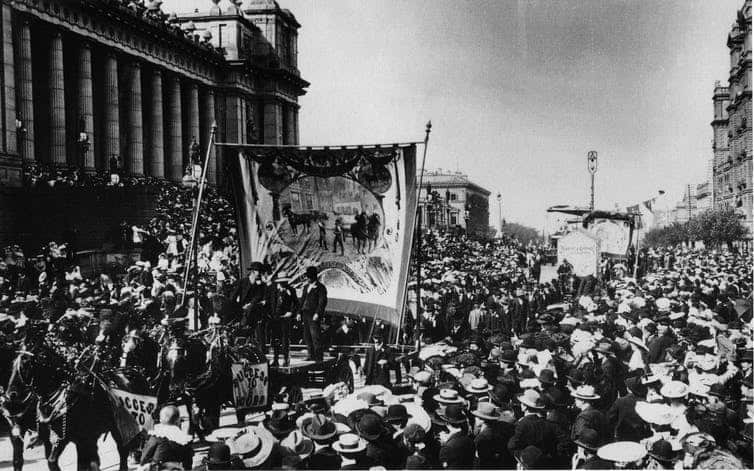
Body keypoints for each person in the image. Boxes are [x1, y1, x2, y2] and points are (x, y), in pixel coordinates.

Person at [139, 405, 194, 471]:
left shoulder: (157, 436)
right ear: (177, 421)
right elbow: (188, 462)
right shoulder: (183, 439)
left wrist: (142, 464)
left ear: (160, 420)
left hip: (159, 467)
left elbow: (145, 456)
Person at [299, 266, 327, 361]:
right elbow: (302, 300)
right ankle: (311, 355)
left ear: (312, 277)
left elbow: (322, 302)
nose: (306, 278)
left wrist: (318, 313)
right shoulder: (306, 287)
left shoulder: (320, 287)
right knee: (307, 336)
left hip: (313, 314)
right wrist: (299, 313)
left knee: (315, 335)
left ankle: (319, 356)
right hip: (305, 313)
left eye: (308, 277)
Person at [270, 276, 298, 367]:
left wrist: (291, 312)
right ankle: (275, 359)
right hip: (275, 318)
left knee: (285, 339)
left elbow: (296, 303)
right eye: (281, 282)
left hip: (285, 318)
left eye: (284, 282)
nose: (283, 284)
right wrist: (272, 314)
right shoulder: (274, 290)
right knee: (275, 339)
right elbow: (271, 303)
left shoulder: (291, 290)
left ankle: (286, 358)